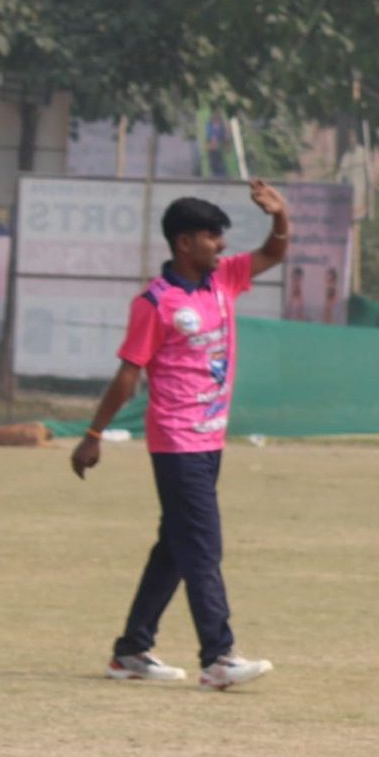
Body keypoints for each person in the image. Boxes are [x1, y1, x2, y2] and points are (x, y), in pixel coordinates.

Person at [71, 183, 291, 692]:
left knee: (175, 546)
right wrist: (93, 433)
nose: (221, 244)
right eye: (212, 236)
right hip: (177, 442)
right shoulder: (155, 303)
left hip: (211, 442)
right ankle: (218, 657)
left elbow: (273, 252)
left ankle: (131, 650)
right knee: (202, 547)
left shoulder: (224, 278)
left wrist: (281, 215)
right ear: (185, 243)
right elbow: (128, 374)